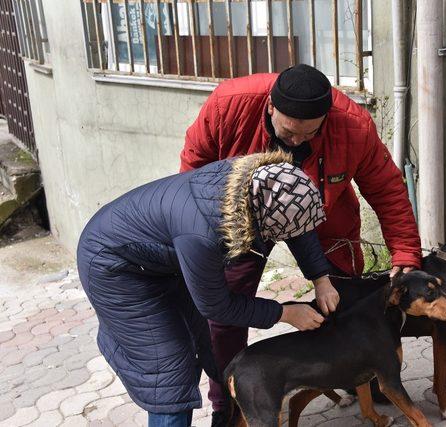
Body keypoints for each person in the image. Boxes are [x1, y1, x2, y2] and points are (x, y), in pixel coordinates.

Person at [181, 63, 422, 424]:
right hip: (241, 219)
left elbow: (386, 188)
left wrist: (405, 250)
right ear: (270, 108)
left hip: (322, 213)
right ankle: (227, 404)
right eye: (289, 133)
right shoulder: (227, 105)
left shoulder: (352, 126)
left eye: (309, 134)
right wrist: (206, 240)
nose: (297, 142)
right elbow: (192, 174)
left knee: (347, 295)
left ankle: (365, 370)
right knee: (226, 307)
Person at [77, 151, 331, 427]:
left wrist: (322, 279)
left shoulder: (262, 183)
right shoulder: (204, 233)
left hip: (155, 260)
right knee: (169, 371)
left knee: (204, 342)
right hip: (114, 269)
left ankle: (228, 415)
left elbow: (295, 215)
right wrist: (285, 313)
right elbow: (217, 306)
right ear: (259, 223)